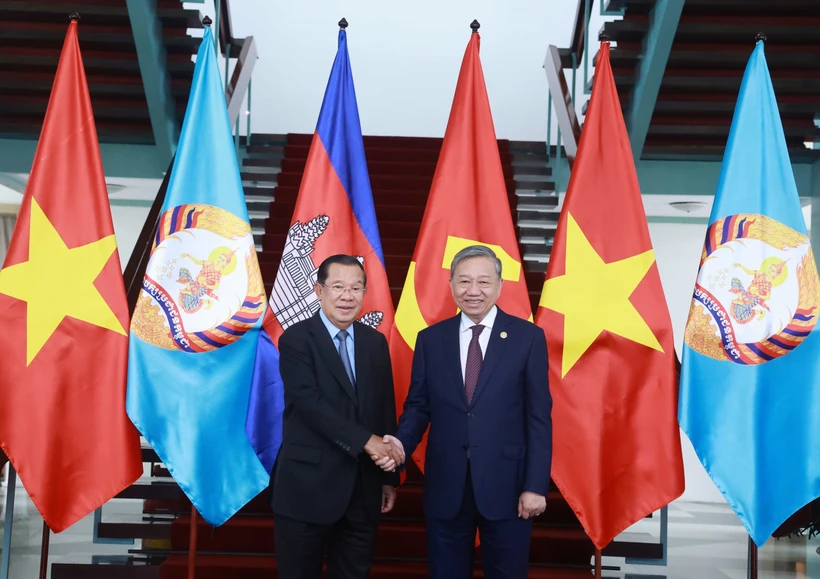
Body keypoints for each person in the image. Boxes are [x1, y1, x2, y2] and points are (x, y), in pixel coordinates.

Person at [381, 245, 552, 579]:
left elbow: (539, 418)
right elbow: (418, 406)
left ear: (500, 286)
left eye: (484, 282)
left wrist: (535, 485)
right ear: (451, 285)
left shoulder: (527, 338)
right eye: (464, 282)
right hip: (447, 485)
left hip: (509, 487)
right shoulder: (431, 339)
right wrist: (400, 444)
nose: (473, 291)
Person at [271, 254, 404, 579]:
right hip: (306, 487)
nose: (347, 296)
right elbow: (309, 403)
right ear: (319, 290)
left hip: (363, 488)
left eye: (356, 288)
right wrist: (367, 442)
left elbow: (384, 407)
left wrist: (388, 476)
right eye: (338, 287)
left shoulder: (375, 342)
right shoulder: (296, 339)